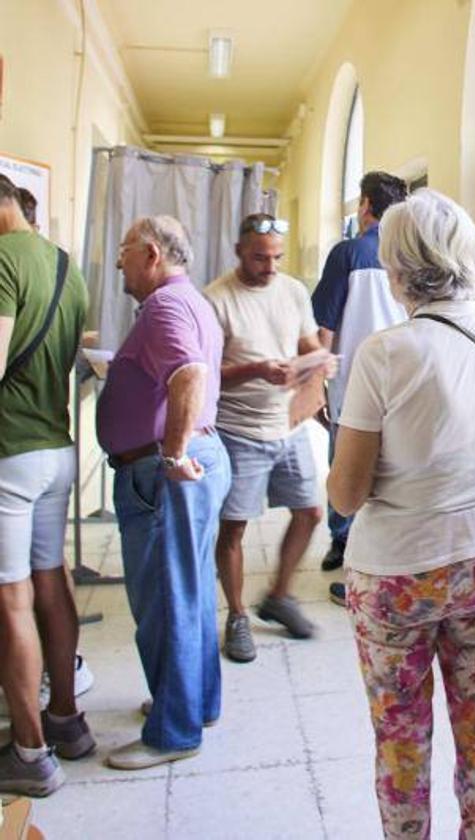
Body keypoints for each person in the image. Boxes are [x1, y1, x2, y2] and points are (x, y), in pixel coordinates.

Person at [328, 189, 475, 839]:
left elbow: (345, 495)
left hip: (396, 576)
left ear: (395, 268)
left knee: (402, 741)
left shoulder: (387, 353)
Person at [98, 216, 231, 770]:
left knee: (165, 600)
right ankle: (193, 703)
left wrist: (173, 455)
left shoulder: (165, 307)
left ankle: (173, 732)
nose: (119, 262)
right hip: (187, 460)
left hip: (165, 470)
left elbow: (189, 373)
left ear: (151, 254)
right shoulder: (191, 301)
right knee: (190, 590)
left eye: (125, 251)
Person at [0, 174, 93, 795]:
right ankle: (66, 720)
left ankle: (29, 753)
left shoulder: (4, 260)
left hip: (8, 453)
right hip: (56, 447)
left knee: (11, 601)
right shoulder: (67, 267)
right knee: (51, 580)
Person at [204, 213, 332, 661]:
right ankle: (237, 616)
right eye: (260, 258)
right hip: (238, 429)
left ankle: (279, 595)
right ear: (239, 251)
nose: (271, 267)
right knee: (234, 526)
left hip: (288, 423)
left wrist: (319, 360)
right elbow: (204, 376)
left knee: (311, 512)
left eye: (277, 257)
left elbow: (306, 343)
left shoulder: (293, 290)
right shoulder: (216, 300)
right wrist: (256, 369)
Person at [311, 171, 407, 590]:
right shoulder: (409, 256)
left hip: (351, 385)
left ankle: (343, 542)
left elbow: (324, 327)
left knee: (345, 465)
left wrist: (316, 385)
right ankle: (381, 550)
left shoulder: (347, 253)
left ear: (365, 204)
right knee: (392, 466)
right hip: (402, 385)